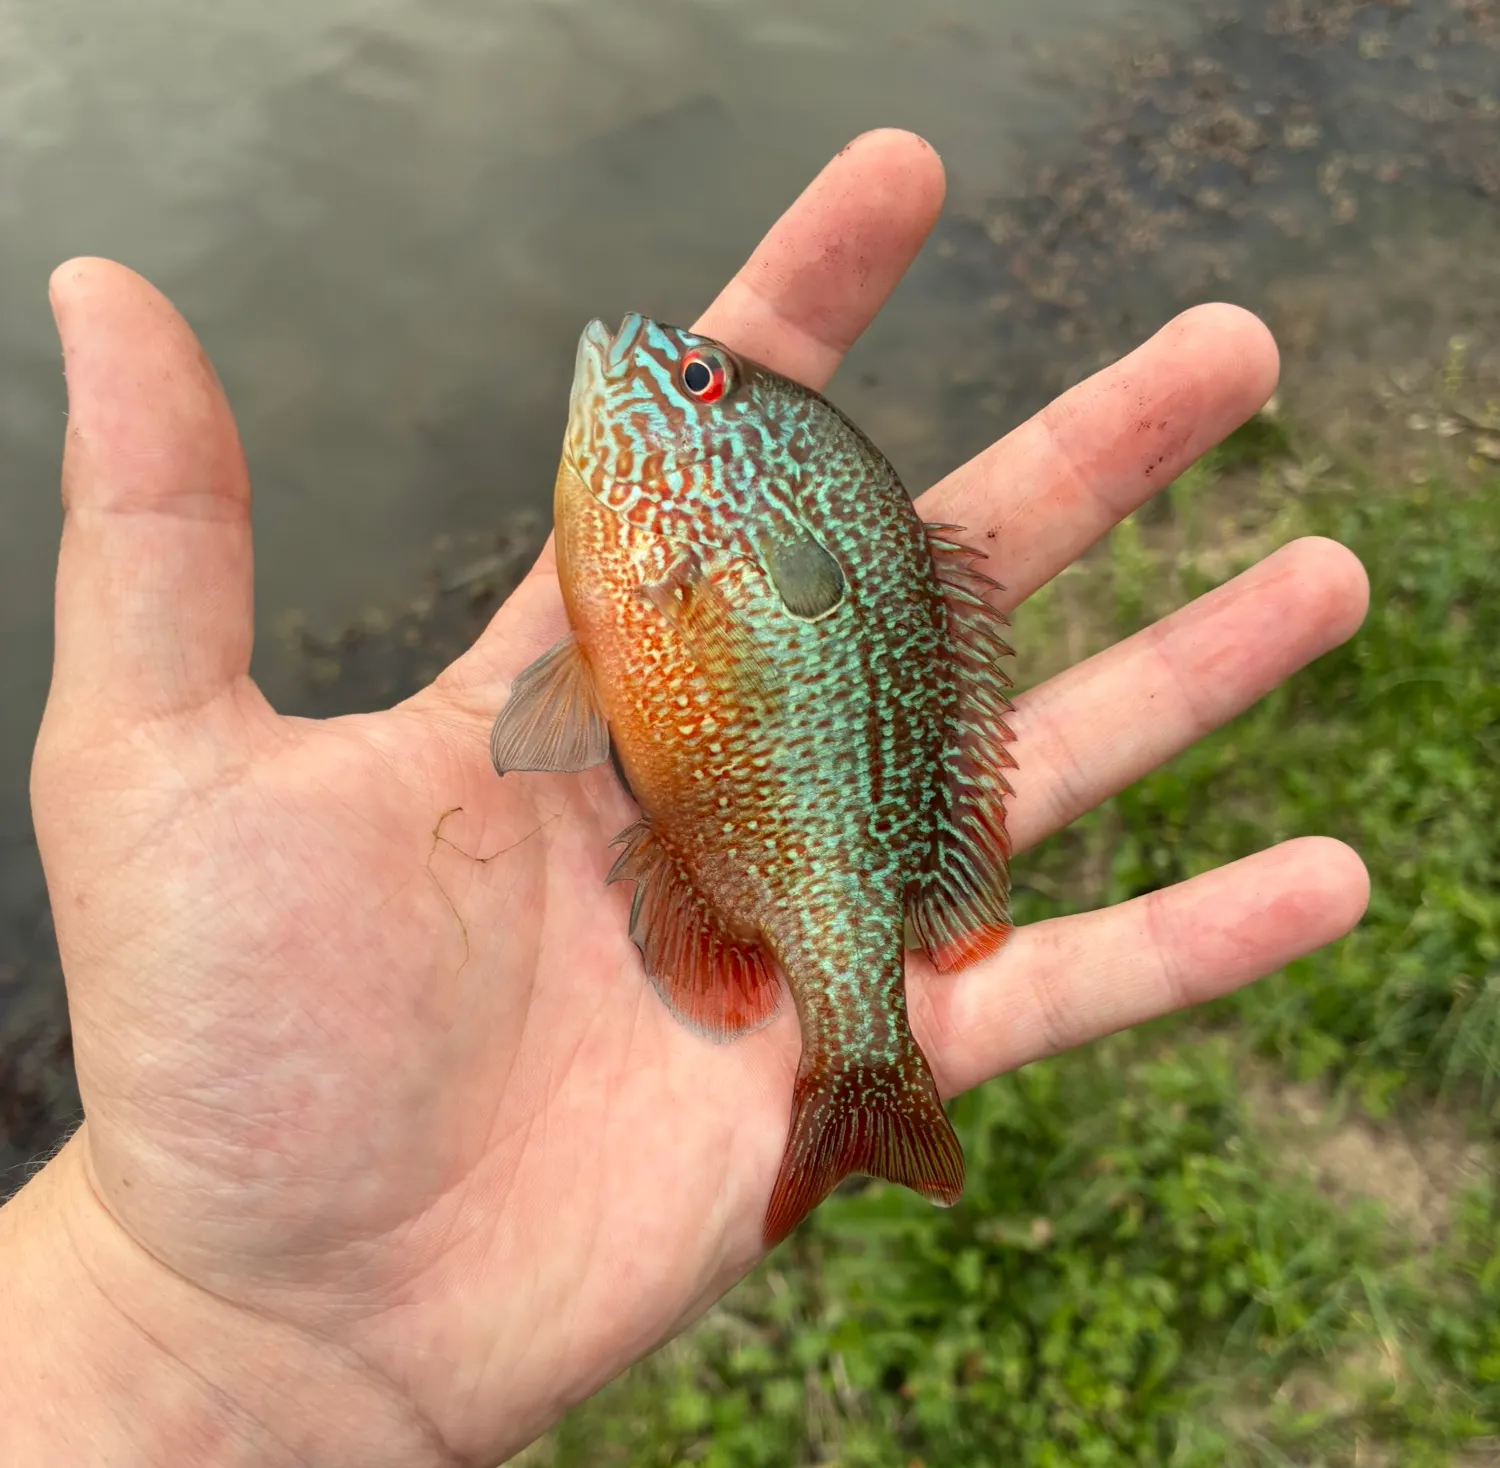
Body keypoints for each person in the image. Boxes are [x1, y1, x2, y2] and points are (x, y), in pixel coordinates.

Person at [0, 129, 1369, 1466]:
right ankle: (857, 1076)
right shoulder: (664, 538)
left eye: (701, 389)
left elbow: (633, 675)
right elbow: (595, 686)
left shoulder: (679, 533)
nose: (655, 365)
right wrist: (164, 1302)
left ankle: (860, 1065)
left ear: (736, 469)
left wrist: (153, 1328)